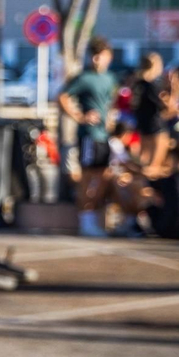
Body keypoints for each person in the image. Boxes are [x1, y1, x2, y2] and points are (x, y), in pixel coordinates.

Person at [58, 37, 118, 237]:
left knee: (104, 177)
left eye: (100, 56)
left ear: (108, 57)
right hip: (89, 136)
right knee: (87, 178)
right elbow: (62, 97)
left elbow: (111, 102)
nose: (96, 60)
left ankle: (95, 218)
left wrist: (111, 117)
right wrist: (80, 116)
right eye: (93, 55)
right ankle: (86, 222)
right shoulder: (83, 78)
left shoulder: (110, 79)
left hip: (104, 135)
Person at [129, 52, 169, 173]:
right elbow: (164, 108)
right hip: (156, 129)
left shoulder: (136, 84)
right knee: (153, 168)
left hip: (143, 127)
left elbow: (133, 105)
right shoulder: (151, 86)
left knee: (144, 162)